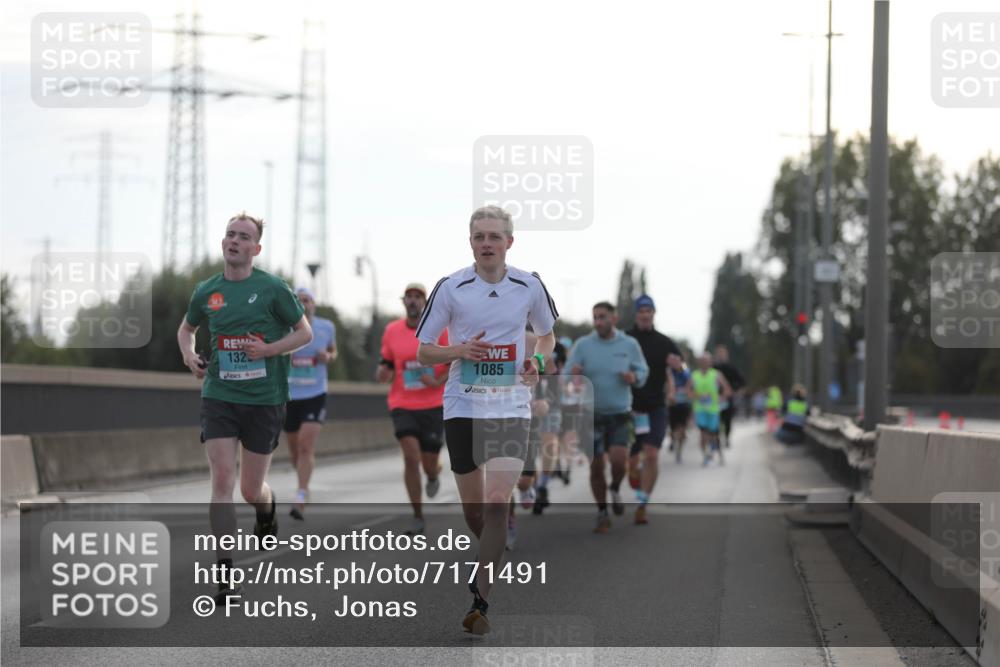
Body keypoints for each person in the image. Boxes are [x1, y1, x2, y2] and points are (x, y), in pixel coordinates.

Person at [416, 205, 557, 635]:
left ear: (509, 242)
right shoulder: (451, 288)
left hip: (511, 406)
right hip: (463, 404)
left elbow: (548, 336)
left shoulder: (528, 285)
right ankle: (492, 549)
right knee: (476, 514)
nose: (487, 244)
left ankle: (480, 602)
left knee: (497, 502)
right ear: (470, 242)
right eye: (479, 237)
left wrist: (535, 360)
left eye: (495, 237)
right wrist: (458, 351)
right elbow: (423, 350)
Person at [177, 212, 312, 606]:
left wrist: (268, 350)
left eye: (243, 237)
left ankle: (266, 508)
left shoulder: (272, 289)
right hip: (219, 394)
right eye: (230, 235)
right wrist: (189, 357)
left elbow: (304, 332)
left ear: (256, 249)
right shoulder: (207, 291)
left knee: (250, 489)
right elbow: (187, 330)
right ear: (223, 243)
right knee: (222, 480)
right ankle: (224, 575)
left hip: (264, 399)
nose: (234, 241)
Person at [565, 302, 649, 533]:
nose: (598, 321)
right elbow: (565, 377)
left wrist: (634, 377)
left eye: (602, 317)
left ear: (614, 318)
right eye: (595, 317)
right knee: (596, 466)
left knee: (620, 460)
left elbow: (643, 370)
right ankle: (602, 512)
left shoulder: (629, 344)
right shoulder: (583, 345)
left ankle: (615, 487)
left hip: (620, 413)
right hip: (589, 414)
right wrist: (573, 377)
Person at [376, 283, 449, 535]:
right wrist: (382, 372)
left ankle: (433, 474)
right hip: (402, 403)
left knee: (429, 463)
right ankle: (417, 516)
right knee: (410, 456)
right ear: (403, 302)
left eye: (418, 297)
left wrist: (437, 381)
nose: (413, 301)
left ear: (426, 303)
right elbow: (385, 363)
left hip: (433, 404)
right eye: (409, 297)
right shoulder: (392, 331)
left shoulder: (440, 330)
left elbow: (454, 364)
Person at [624, 295, 680, 525]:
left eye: (649, 311)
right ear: (637, 315)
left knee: (653, 454)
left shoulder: (665, 342)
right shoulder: (625, 339)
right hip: (629, 408)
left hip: (656, 406)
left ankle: (643, 503)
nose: (645, 315)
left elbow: (683, 366)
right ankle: (635, 473)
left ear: (654, 314)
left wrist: (679, 366)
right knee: (631, 461)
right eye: (641, 311)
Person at [283, 287, 336, 521]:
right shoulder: (283, 328)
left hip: (316, 393)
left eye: (307, 300)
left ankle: (301, 495)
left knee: (306, 445)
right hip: (289, 395)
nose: (303, 304)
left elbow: (333, 350)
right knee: (295, 450)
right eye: (299, 300)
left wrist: (329, 357)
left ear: (314, 304)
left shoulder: (326, 327)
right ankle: (302, 481)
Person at [691, 352, 733, 466]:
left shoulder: (716, 374)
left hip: (713, 410)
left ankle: (719, 455)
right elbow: (688, 391)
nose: (704, 363)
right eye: (702, 361)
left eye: (706, 361)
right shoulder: (694, 375)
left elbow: (727, 389)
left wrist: (722, 397)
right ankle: (705, 456)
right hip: (700, 409)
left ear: (710, 362)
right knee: (703, 433)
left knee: (714, 434)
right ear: (699, 362)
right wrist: (697, 396)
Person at [713, 344, 746, 449]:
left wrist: (736, 391)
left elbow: (741, 382)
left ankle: (726, 437)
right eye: (719, 354)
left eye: (722, 354)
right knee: (715, 420)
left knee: (727, 420)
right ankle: (716, 439)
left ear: (726, 355)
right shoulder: (713, 368)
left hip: (728, 398)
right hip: (714, 399)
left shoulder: (731, 368)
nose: (721, 356)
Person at [666, 353, 692, 463]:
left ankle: (679, 452)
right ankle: (673, 440)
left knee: (682, 430)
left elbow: (690, 383)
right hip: (672, 405)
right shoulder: (668, 371)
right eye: (673, 360)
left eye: (678, 360)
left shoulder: (684, 370)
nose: (675, 363)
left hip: (684, 404)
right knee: (673, 429)